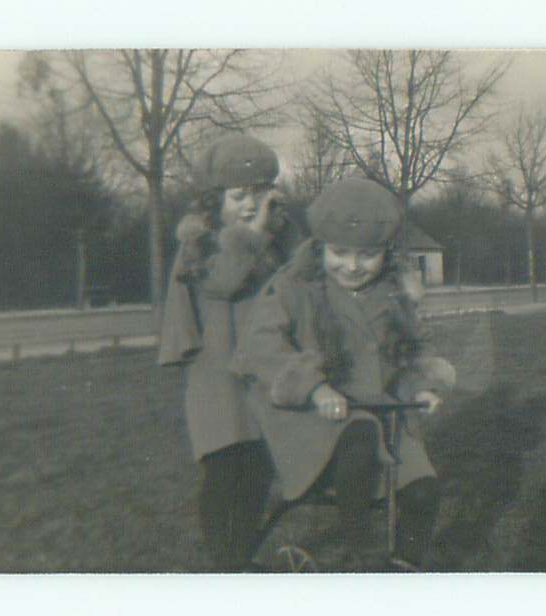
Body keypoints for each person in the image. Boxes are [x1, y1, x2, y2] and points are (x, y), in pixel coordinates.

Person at [232, 177, 456, 570]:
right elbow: (260, 345)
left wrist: (422, 387)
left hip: (383, 412)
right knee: (359, 436)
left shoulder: (395, 295)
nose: (352, 266)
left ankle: (404, 565)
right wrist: (314, 387)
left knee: (423, 490)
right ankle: (362, 553)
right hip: (313, 418)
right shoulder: (293, 286)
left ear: (386, 253)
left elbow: (415, 349)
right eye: (339, 253)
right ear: (320, 248)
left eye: (366, 256)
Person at [158, 133, 296, 572]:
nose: (251, 206)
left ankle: (238, 558)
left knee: (258, 468)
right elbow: (225, 282)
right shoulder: (203, 245)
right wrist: (254, 234)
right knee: (224, 470)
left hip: (258, 375)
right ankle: (226, 562)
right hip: (216, 380)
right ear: (214, 201)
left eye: (260, 195)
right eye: (239, 197)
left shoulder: (275, 241)